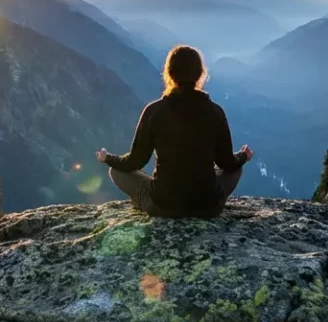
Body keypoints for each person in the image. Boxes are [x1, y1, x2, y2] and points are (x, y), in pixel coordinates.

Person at [97, 45, 253, 218]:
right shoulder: (215, 112)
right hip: (208, 206)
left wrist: (108, 159)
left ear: (169, 73)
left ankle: (142, 201)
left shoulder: (154, 111)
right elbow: (227, 164)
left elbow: (135, 162)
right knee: (236, 169)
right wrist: (243, 156)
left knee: (115, 170)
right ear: (200, 74)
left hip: (163, 206)